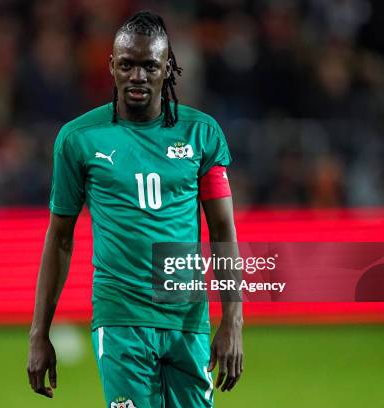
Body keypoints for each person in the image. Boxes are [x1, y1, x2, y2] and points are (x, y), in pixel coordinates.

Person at [27, 11, 243, 408]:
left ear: (168, 68)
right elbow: (59, 237)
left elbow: (223, 232)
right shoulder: (78, 140)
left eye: (149, 66)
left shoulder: (202, 133)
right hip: (120, 317)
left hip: (186, 320)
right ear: (111, 66)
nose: (137, 76)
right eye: (127, 65)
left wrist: (233, 319)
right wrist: (39, 333)